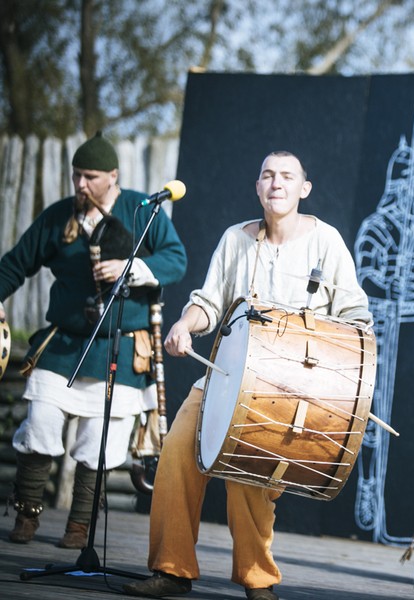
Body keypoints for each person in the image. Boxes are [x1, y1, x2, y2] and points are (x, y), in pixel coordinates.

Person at [123, 150, 372, 600]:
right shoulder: (235, 238)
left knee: (249, 475)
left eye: (287, 176)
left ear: (304, 188)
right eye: (267, 175)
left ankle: (257, 580)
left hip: (286, 391)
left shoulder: (327, 241)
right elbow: (208, 302)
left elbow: (355, 315)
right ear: (257, 187)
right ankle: (172, 570)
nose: (276, 183)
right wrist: (184, 324)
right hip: (222, 377)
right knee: (178, 452)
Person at [0, 132, 187, 549]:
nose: (80, 184)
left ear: (112, 177)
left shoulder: (144, 212)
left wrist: (131, 267)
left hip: (119, 348)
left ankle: (79, 527)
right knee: (40, 425)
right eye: (76, 176)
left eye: (90, 177)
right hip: (63, 345)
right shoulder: (57, 217)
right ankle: (27, 515)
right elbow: (15, 264)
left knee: (98, 444)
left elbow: (176, 260)